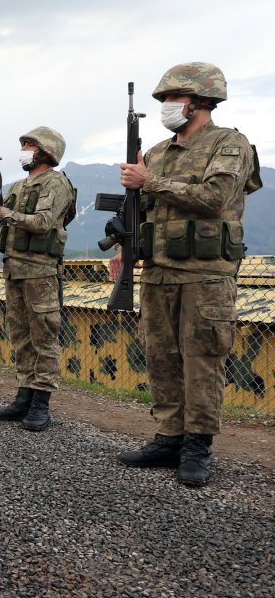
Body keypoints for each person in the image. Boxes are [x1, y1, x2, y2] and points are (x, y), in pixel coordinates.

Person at [114, 62, 259, 486]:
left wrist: (150, 181)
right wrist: (128, 244)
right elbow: (150, 211)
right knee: (161, 357)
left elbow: (215, 198)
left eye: (172, 99)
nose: (166, 107)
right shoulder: (158, 152)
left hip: (204, 274)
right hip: (159, 273)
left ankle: (198, 445)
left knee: (202, 361)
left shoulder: (230, 145)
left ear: (200, 100)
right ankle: (168, 437)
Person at [0, 127, 76, 432]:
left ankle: (41, 404)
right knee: (21, 337)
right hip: (15, 270)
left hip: (40, 273)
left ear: (45, 151)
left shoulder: (56, 183)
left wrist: (2, 213)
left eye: (29, 145)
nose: (23, 149)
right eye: (23, 144)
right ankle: (23, 396)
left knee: (44, 338)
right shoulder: (20, 186)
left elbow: (42, 223)